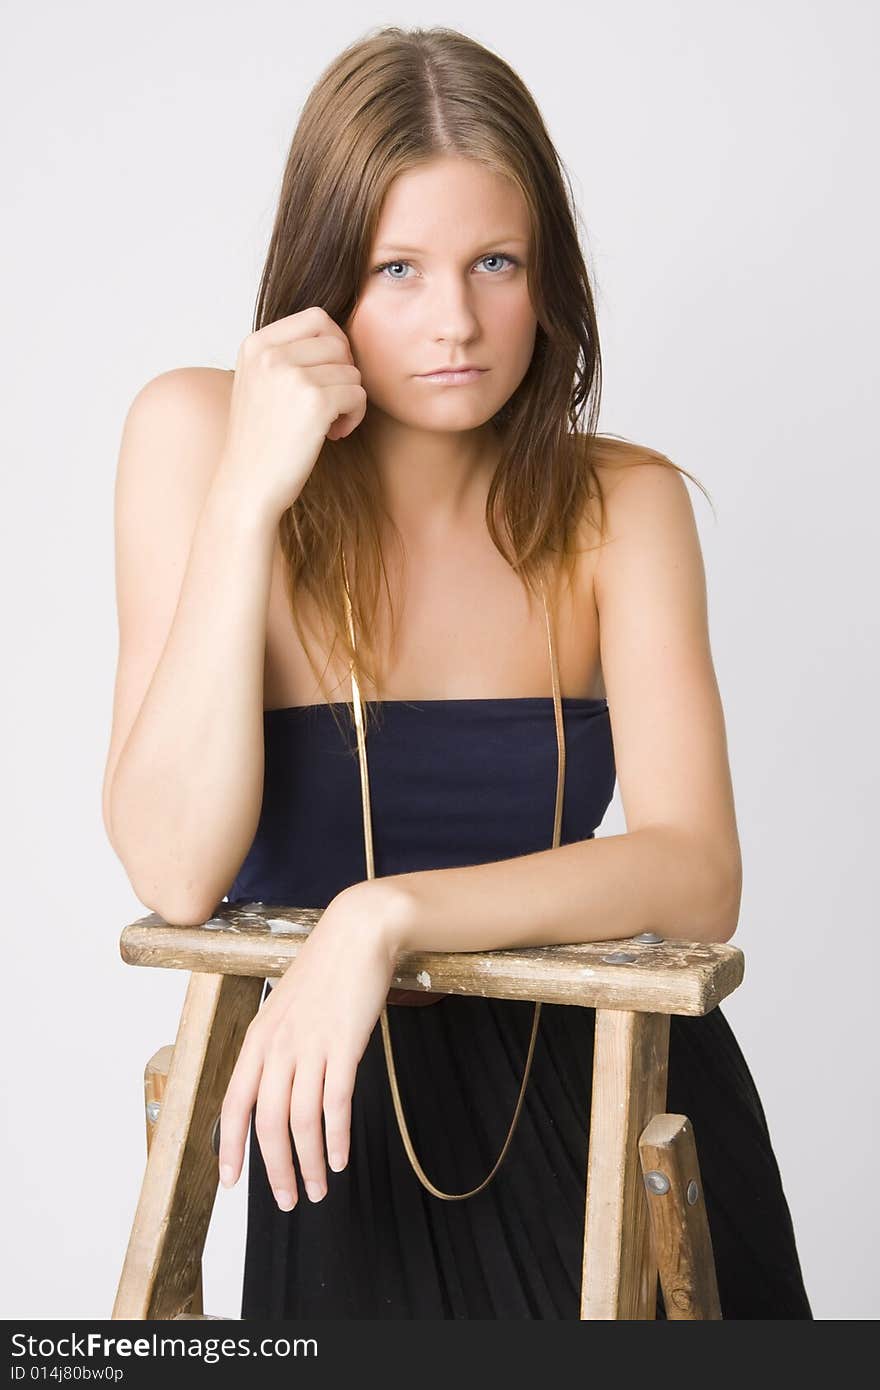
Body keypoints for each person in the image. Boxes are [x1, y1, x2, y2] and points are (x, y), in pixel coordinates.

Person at [102, 25, 813, 1319]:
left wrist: (380, 914)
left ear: (547, 278)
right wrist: (251, 497)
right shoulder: (191, 433)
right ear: (322, 278)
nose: (457, 321)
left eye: (496, 262)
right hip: (334, 1123)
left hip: (613, 1106)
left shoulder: (624, 503)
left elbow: (696, 871)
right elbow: (173, 865)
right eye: (397, 267)